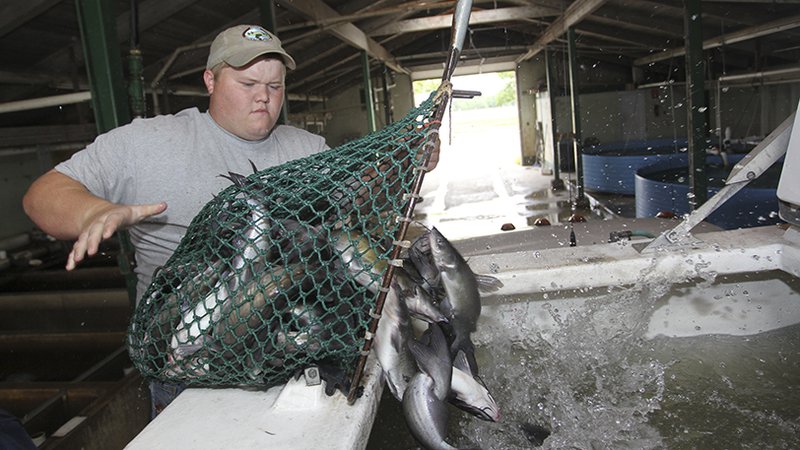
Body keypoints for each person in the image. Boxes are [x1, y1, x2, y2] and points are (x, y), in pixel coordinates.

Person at [23, 24, 328, 417]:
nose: (263, 98)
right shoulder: (147, 143)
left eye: (275, 86)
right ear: (210, 80)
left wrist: (395, 168)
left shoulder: (310, 150)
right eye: (248, 83)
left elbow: (357, 203)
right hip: (187, 361)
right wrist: (94, 211)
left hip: (292, 351)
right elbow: (42, 195)